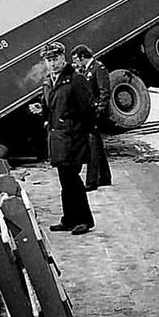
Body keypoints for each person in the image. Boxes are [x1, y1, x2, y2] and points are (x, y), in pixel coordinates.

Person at [29, 41, 96, 235]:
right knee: (65, 181)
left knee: (73, 180)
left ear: (63, 58)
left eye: (55, 58)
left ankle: (84, 220)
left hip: (73, 138)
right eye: (49, 60)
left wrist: (81, 132)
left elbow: (88, 109)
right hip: (58, 138)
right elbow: (51, 107)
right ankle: (69, 219)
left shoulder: (75, 79)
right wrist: (42, 110)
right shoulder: (49, 81)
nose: (52, 63)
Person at [72, 44, 112, 191]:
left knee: (92, 147)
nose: (75, 62)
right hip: (90, 112)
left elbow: (104, 92)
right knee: (97, 146)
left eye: (76, 59)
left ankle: (92, 180)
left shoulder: (98, 68)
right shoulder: (87, 69)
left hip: (95, 112)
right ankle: (105, 177)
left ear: (83, 57)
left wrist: (100, 111)